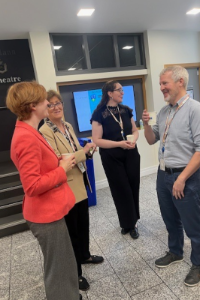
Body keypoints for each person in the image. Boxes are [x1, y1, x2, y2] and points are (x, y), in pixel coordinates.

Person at [6, 82, 81, 300]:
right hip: (45, 215)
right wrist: (62, 169)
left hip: (51, 211)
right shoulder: (26, 137)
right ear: (32, 106)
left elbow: (39, 165)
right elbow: (32, 185)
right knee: (58, 270)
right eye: (43, 101)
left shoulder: (29, 130)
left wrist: (58, 160)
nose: (48, 103)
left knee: (65, 263)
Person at [40, 90, 104, 291]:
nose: (57, 107)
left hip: (80, 183)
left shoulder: (67, 126)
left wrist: (88, 150)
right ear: (45, 109)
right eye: (51, 105)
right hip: (66, 187)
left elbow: (75, 150)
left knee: (83, 224)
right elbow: (59, 160)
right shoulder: (45, 132)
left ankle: (85, 255)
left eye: (58, 103)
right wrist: (82, 153)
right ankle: (75, 273)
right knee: (72, 233)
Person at [142, 65, 200, 287]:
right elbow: (151, 139)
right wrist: (146, 125)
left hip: (187, 176)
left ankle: (198, 263)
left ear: (180, 82)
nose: (161, 88)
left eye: (165, 83)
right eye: (160, 84)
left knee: (193, 223)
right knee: (170, 219)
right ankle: (175, 251)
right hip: (163, 173)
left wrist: (182, 178)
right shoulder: (166, 110)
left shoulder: (194, 109)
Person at [91, 80, 140, 239]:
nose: (122, 92)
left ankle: (133, 223)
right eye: (119, 90)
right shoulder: (99, 113)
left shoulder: (126, 110)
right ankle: (126, 223)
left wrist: (133, 140)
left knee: (133, 187)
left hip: (131, 154)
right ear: (110, 93)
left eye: (122, 90)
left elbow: (134, 129)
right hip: (112, 157)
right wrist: (119, 144)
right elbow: (97, 140)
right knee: (121, 190)